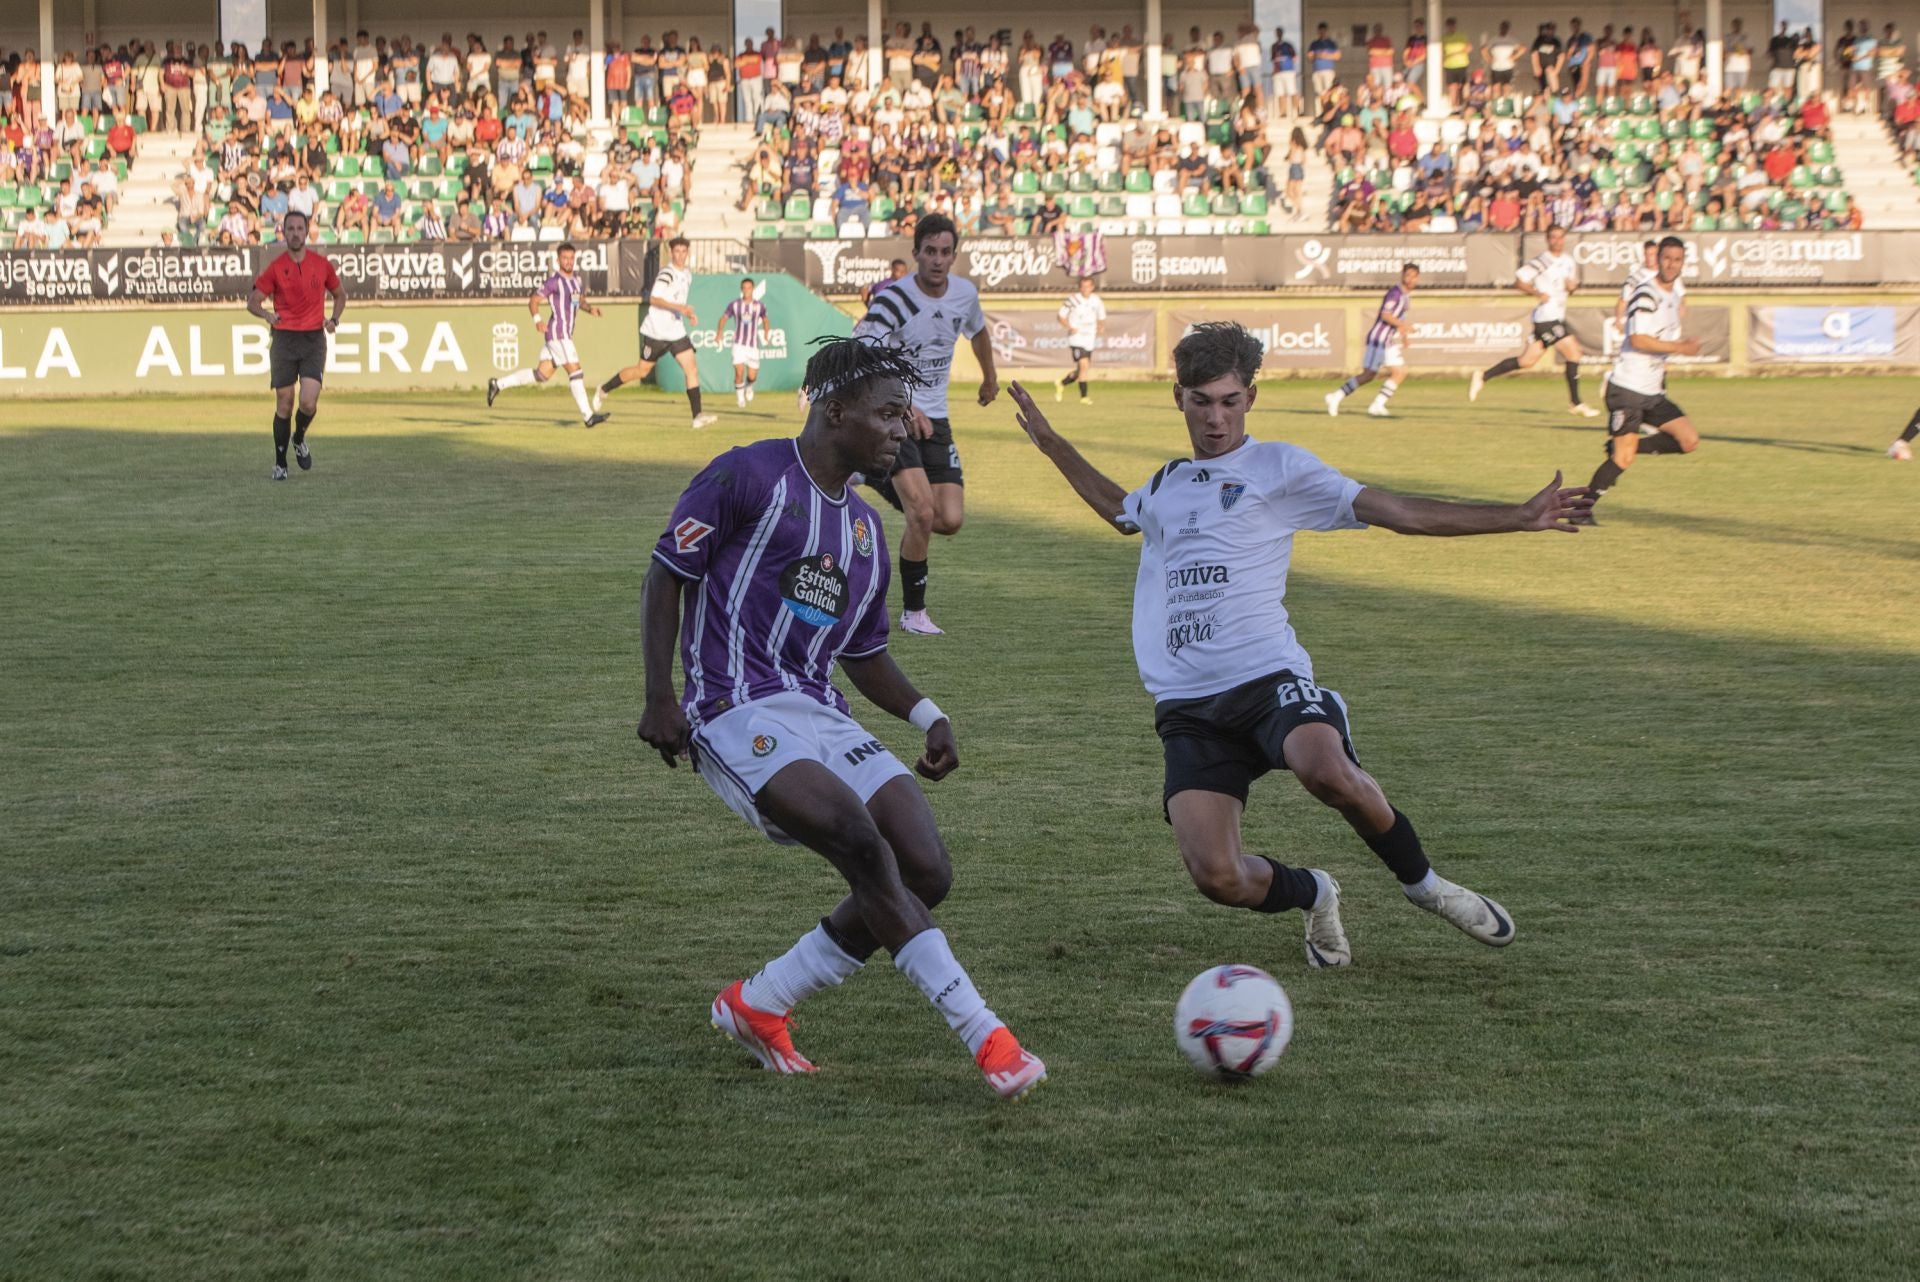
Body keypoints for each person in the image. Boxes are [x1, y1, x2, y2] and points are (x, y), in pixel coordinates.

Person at [1009, 323, 1592, 968]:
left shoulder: (1279, 468)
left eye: (1230, 401)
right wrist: (1050, 442)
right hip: (1186, 705)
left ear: (1250, 400)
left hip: (1266, 677)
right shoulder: (1170, 482)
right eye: (1202, 401)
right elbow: (1119, 510)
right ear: (1179, 398)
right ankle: (1315, 892)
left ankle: (1427, 887)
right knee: (1218, 878)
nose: (1216, 418)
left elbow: (1395, 511)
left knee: (1324, 769)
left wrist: (1515, 515)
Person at [638, 337, 1047, 1100]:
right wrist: (662, 695)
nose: (906, 430)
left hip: (819, 710)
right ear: (836, 412)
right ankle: (988, 1038)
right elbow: (667, 574)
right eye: (890, 414)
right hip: (731, 707)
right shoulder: (744, 474)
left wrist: (929, 714)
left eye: (907, 415)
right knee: (862, 844)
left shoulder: (865, 533)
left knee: (926, 869)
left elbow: (863, 653)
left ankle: (759, 1002)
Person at [851, 214, 999, 637]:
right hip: (893, 416)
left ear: (955, 255)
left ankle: (871, 474)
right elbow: (862, 351)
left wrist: (989, 376)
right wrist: (902, 402)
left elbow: (979, 331)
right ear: (915, 253)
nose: (937, 260)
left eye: (945, 252)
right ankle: (913, 613)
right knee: (920, 512)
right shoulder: (893, 300)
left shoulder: (964, 294)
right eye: (929, 251)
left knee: (948, 518)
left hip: (937, 417)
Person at [1585, 237, 1700, 522]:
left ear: (1683, 262)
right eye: (1667, 258)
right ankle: (1581, 510)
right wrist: (1680, 348)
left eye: (1677, 259)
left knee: (1688, 441)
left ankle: (1624, 444)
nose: (1671, 264)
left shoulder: (1674, 297)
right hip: (1626, 388)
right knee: (1623, 460)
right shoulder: (1646, 293)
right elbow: (1638, 339)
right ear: (1657, 259)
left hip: (1651, 390)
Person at [245, 210, 343, 481]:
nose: (296, 233)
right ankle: (280, 463)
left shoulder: (321, 264)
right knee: (285, 401)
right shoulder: (276, 268)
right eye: (291, 229)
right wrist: (266, 314)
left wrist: (334, 318)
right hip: (284, 339)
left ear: (307, 230)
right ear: (284, 232)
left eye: (300, 228)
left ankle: (299, 438)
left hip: (313, 338)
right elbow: (253, 301)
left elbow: (339, 294)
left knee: (309, 402)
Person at [1469, 225, 1598, 417]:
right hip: (1546, 318)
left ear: (1564, 239)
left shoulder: (1569, 261)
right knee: (1574, 353)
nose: (1557, 241)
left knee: (1526, 361)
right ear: (1547, 239)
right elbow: (1519, 280)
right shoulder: (1541, 261)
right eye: (1553, 237)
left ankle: (1482, 376)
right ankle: (1576, 402)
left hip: (1556, 316)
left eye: (1560, 237)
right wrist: (1537, 293)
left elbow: (1570, 286)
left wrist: (1573, 287)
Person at [487, 243, 611, 428]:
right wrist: (537, 320)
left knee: (541, 375)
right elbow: (533, 300)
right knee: (576, 372)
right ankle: (588, 416)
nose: (568, 261)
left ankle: (498, 384)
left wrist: (590, 309)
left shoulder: (576, 280)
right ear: (558, 259)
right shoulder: (554, 282)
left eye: (571, 258)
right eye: (564, 258)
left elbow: (577, 301)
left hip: (563, 335)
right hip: (558, 334)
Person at [595, 237, 715, 429]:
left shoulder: (687, 274)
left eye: (684, 251)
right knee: (642, 370)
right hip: (657, 332)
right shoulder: (666, 274)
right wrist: (680, 308)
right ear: (670, 252)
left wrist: (687, 313)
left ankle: (697, 416)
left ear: (688, 252)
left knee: (691, 369)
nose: (681, 255)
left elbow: (678, 300)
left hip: (676, 332)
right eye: (677, 251)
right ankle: (604, 388)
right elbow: (654, 299)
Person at [1326, 263, 1418, 418]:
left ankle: (1377, 405)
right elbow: (1386, 315)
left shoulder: (1406, 297)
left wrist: (1404, 336)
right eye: (1407, 275)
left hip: (1388, 341)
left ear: (1417, 278)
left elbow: (1399, 318)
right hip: (1379, 339)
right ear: (1402, 275)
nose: (1410, 279)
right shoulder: (1395, 293)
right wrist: (1405, 326)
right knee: (1368, 375)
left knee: (1400, 372)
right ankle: (1336, 396)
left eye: (1413, 276)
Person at [716, 277, 771, 408]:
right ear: (741, 290)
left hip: (752, 346)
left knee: (752, 376)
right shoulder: (735, 305)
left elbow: (765, 320)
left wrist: (766, 333)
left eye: (749, 288)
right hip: (738, 344)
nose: (747, 290)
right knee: (739, 371)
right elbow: (723, 318)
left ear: (753, 289)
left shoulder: (759, 306)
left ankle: (749, 386)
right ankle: (740, 399)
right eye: (744, 288)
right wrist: (719, 333)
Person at [1054, 276, 1106, 404]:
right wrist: (1069, 327)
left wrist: (1101, 325)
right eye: (1083, 286)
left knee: (1081, 370)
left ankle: (1062, 383)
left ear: (1092, 287)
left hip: (1090, 338)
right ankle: (1084, 397)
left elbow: (1101, 316)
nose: (1085, 289)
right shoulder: (1073, 300)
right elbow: (1060, 316)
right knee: (1083, 365)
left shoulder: (1096, 301)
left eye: (1088, 286)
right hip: (1076, 338)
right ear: (1079, 287)